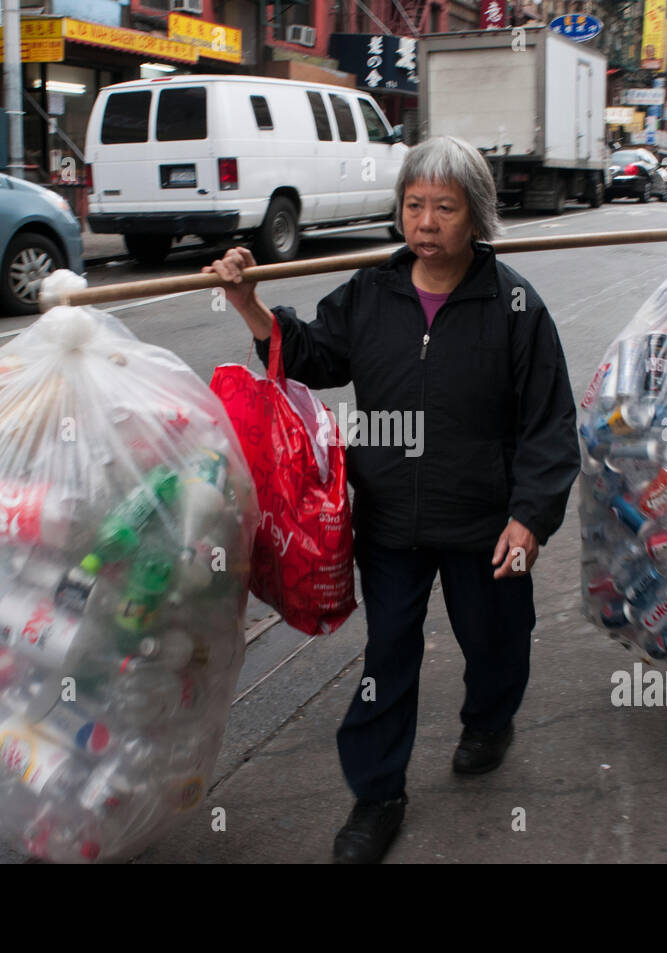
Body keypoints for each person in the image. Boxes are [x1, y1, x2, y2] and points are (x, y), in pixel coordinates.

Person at [204, 136, 579, 864]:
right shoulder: (373, 292)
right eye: (414, 205)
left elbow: (549, 423)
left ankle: (489, 718)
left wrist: (529, 517)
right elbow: (312, 354)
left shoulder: (515, 306)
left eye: (445, 207)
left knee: (496, 641)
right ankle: (377, 795)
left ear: (477, 217)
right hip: (390, 524)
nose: (427, 222)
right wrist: (248, 304)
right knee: (388, 655)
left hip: (484, 524)